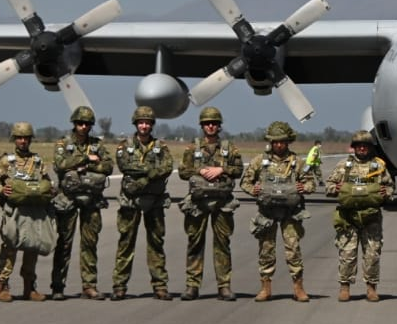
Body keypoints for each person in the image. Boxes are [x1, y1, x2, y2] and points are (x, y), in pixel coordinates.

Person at [241, 121, 315, 302]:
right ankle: (265, 287)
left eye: (282, 141)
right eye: (275, 142)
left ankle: (298, 288)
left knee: (293, 250)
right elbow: (245, 182)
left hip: (290, 214)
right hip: (267, 214)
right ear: (271, 142)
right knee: (266, 250)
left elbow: (311, 183)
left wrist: (303, 187)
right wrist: (254, 190)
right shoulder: (260, 161)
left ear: (288, 142)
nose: (279, 145)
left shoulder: (297, 162)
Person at [177, 106, 244, 301]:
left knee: (222, 243)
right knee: (195, 243)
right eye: (207, 123)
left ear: (219, 126)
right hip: (198, 203)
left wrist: (221, 170)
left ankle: (224, 286)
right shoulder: (192, 148)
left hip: (222, 203)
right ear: (202, 126)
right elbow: (183, 171)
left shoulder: (230, 148)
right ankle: (192, 286)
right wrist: (201, 171)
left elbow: (239, 170)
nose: (211, 126)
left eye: (214, 123)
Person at [51, 105, 115, 300]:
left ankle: (89, 285)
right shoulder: (63, 143)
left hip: (91, 200)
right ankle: (58, 286)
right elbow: (60, 164)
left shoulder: (98, 144)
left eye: (87, 124)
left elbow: (109, 167)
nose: (83, 127)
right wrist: (87, 159)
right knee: (64, 243)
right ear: (74, 124)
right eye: (80, 123)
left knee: (90, 243)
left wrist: (88, 164)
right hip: (67, 199)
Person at [112, 106, 175, 301]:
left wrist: (145, 176)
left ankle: (160, 285)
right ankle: (119, 286)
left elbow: (167, 167)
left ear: (152, 125)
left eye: (148, 122)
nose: (144, 126)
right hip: (130, 202)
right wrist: (152, 171)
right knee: (125, 243)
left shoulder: (161, 147)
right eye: (141, 122)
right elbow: (125, 165)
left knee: (156, 243)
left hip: (154, 202)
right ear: (136, 124)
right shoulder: (124, 146)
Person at [325, 131, 392, 302]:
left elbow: (390, 188)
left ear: (370, 148)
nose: (362, 148)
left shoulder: (379, 166)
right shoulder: (343, 166)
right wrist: (336, 188)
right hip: (348, 218)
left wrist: (386, 192)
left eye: (365, 146)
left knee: (372, 254)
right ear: (354, 147)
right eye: (359, 145)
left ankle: (371, 288)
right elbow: (329, 186)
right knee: (347, 254)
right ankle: (345, 287)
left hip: (371, 218)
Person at [0, 121, 56, 302]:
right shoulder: (6, 162)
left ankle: (29, 286)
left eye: (26, 138)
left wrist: (51, 189)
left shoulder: (37, 161)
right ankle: (2, 285)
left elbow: (47, 181)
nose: (22, 141)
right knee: (9, 247)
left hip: (34, 212)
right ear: (14, 139)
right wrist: (0, 190)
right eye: (19, 138)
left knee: (32, 248)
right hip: (14, 212)